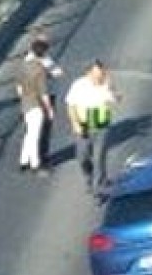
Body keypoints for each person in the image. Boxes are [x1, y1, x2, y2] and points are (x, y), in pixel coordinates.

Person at [66, 60, 118, 191]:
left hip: (100, 120)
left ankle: (98, 187)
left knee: (99, 155)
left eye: (100, 74)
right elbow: (70, 105)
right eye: (96, 74)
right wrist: (75, 123)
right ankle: (89, 175)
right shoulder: (78, 85)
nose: (98, 77)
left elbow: (116, 99)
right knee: (82, 156)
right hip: (83, 122)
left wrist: (112, 90)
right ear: (88, 73)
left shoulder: (106, 84)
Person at [16, 38, 55, 174]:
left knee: (29, 133)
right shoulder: (40, 70)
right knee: (35, 135)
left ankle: (24, 160)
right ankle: (35, 164)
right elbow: (44, 92)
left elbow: (19, 87)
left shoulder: (23, 65)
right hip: (36, 104)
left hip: (25, 103)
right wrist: (49, 109)